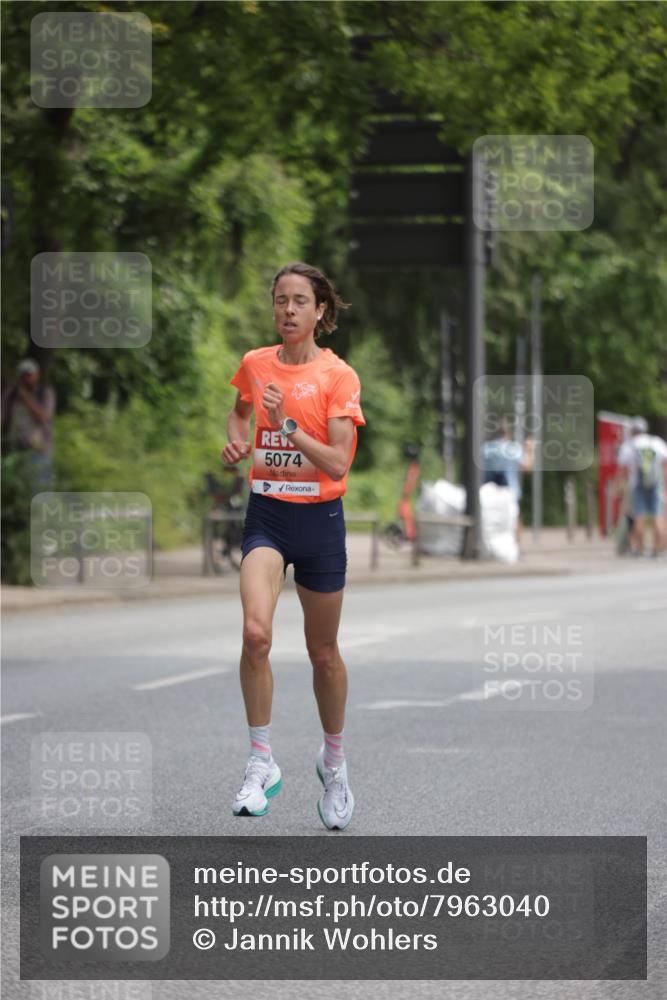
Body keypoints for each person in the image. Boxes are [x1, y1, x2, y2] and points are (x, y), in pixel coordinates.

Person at [221, 262, 365, 830]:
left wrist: (283, 427)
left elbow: (337, 460)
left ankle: (335, 762)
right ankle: (261, 760)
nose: (288, 310)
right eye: (280, 299)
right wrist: (238, 444)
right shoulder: (256, 364)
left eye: (300, 301)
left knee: (322, 653)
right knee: (255, 633)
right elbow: (238, 417)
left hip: (321, 521)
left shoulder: (339, 377)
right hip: (268, 516)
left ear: (321, 311)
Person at [1, 358, 56, 489]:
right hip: (15, 449)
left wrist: (24, 396)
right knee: (16, 491)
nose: (27, 379)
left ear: (37, 375)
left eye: (29, 375)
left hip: (39, 449)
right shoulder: (10, 395)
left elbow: (43, 417)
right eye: (23, 375)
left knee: (39, 490)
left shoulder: (45, 394)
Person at [617, 416, 667, 556]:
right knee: (658, 516)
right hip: (656, 484)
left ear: (632, 431)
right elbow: (665, 463)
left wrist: (618, 486)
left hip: (637, 485)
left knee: (639, 517)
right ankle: (658, 549)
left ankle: (638, 549)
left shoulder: (629, 446)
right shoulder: (656, 442)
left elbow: (622, 469)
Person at [482, 418, 534, 542]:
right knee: (515, 519)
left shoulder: (486, 448)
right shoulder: (513, 449)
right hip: (510, 492)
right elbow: (527, 467)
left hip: (488, 491)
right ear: (509, 434)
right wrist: (530, 450)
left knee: (488, 520)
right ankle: (516, 547)